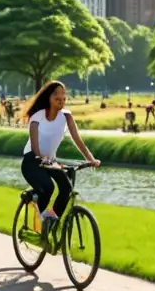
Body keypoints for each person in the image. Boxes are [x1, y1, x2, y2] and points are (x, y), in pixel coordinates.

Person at [22, 81, 101, 237]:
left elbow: (78, 140)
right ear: (48, 97)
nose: (61, 97)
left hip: (50, 160)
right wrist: (40, 157)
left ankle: (49, 221)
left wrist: (91, 159)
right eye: (56, 94)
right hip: (32, 160)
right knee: (48, 188)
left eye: (63, 94)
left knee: (66, 189)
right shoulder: (37, 116)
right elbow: (35, 144)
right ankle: (32, 201)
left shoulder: (66, 116)